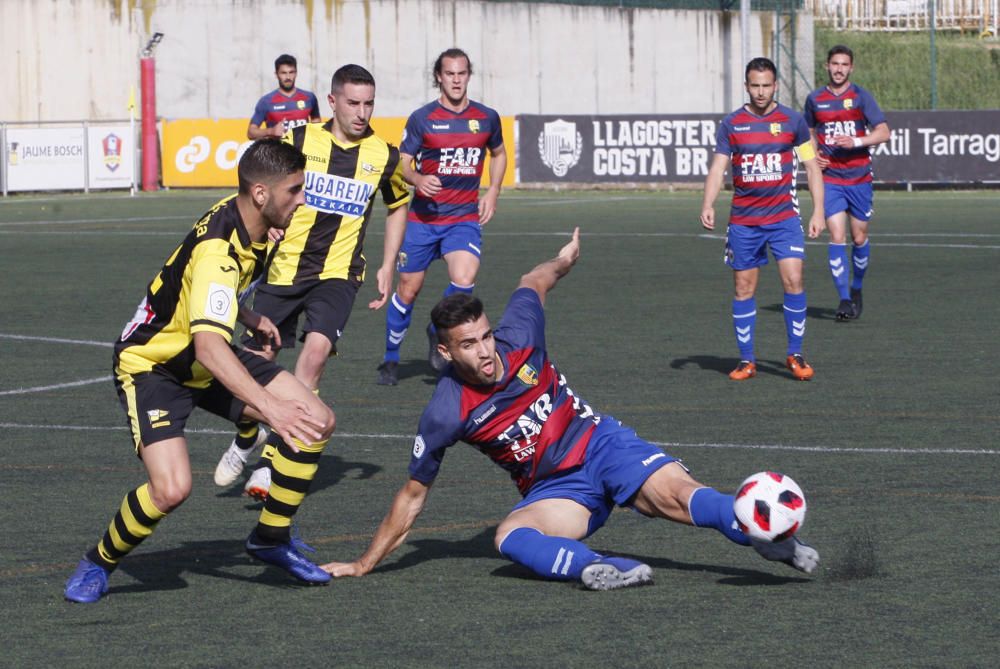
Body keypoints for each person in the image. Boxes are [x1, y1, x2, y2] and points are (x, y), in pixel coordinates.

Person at [320, 230, 820, 590]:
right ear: (448, 353)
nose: (486, 350)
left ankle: (763, 535)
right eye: (469, 345)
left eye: (486, 335)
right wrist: (365, 562)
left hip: (602, 444)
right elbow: (411, 496)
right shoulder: (445, 411)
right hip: (556, 488)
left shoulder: (519, 335)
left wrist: (564, 260)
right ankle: (593, 566)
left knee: (675, 496)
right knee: (510, 537)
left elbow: (532, 281)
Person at [64, 139, 337, 604]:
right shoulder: (220, 250)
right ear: (260, 194)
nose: (302, 199)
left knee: (316, 420)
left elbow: (209, 292)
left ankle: (269, 539)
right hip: (155, 364)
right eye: (294, 191)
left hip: (200, 351)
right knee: (172, 489)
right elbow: (210, 346)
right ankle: (98, 561)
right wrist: (270, 407)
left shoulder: (253, 222)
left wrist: (248, 317)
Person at [214, 64, 410, 500]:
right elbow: (263, 183)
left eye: (369, 103)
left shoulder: (383, 154)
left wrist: (387, 263)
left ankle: (271, 461)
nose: (362, 112)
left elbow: (399, 205)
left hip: (339, 274)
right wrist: (269, 225)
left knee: (315, 354)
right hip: (284, 271)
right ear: (334, 101)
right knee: (253, 359)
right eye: (354, 103)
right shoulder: (300, 139)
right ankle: (249, 433)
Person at [376, 48, 507, 386]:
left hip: (462, 218)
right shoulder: (422, 118)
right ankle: (391, 360)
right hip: (423, 220)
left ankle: (437, 329)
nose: (456, 79)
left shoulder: (487, 117)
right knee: (408, 290)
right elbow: (403, 161)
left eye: (462, 73)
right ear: (439, 76)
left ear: (468, 75)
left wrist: (492, 191)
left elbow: (499, 153)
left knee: (464, 280)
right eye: (449, 74)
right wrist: (418, 178)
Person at [701, 57, 826, 382]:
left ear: (775, 86)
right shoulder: (732, 124)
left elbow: (812, 167)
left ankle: (795, 354)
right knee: (743, 288)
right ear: (746, 86)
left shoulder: (793, 121)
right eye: (754, 85)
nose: (760, 92)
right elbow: (718, 167)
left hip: (784, 219)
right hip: (744, 222)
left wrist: (819, 211)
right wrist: (708, 202)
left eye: (766, 85)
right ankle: (747, 361)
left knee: (794, 281)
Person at [804, 45, 890, 321]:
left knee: (859, 236)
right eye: (834, 64)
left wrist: (856, 141)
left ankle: (856, 288)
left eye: (844, 64)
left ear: (851, 68)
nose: (839, 69)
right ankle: (843, 299)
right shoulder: (815, 99)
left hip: (859, 177)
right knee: (837, 236)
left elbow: (884, 132)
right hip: (831, 180)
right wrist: (813, 154)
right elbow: (806, 131)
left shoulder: (861, 96)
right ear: (826, 66)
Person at [247, 54, 322, 140]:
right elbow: (251, 132)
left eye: (291, 72)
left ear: (296, 73)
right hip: (278, 152)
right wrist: (271, 131)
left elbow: (316, 121)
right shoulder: (266, 101)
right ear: (276, 74)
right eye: (283, 73)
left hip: (302, 152)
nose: (288, 77)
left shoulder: (310, 98)